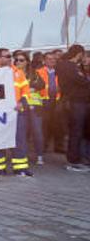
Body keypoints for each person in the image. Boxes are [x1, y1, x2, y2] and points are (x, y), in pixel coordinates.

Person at [0, 48, 32, 177]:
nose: (10, 59)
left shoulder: (18, 72)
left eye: (9, 57)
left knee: (19, 141)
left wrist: (22, 102)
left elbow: (26, 92)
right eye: (6, 56)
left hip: (16, 113)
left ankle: (21, 169)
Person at [56, 44, 90, 172]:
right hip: (75, 102)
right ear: (79, 54)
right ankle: (73, 161)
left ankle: (79, 159)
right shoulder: (68, 66)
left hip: (78, 102)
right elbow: (81, 81)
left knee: (80, 132)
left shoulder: (69, 66)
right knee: (76, 132)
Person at [20, 52, 47, 165]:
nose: (18, 62)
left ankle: (40, 156)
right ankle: (22, 155)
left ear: (27, 61)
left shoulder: (33, 73)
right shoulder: (11, 73)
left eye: (21, 60)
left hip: (35, 106)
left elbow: (41, 85)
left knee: (37, 131)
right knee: (22, 132)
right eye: (16, 60)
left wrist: (30, 87)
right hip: (20, 106)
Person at [37, 51, 65, 154]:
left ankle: (59, 146)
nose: (52, 61)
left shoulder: (60, 71)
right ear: (44, 61)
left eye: (54, 59)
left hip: (57, 101)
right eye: (49, 59)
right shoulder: (38, 72)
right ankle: (43, 146)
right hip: (44, 101)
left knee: (59, 125)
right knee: (45, 125)